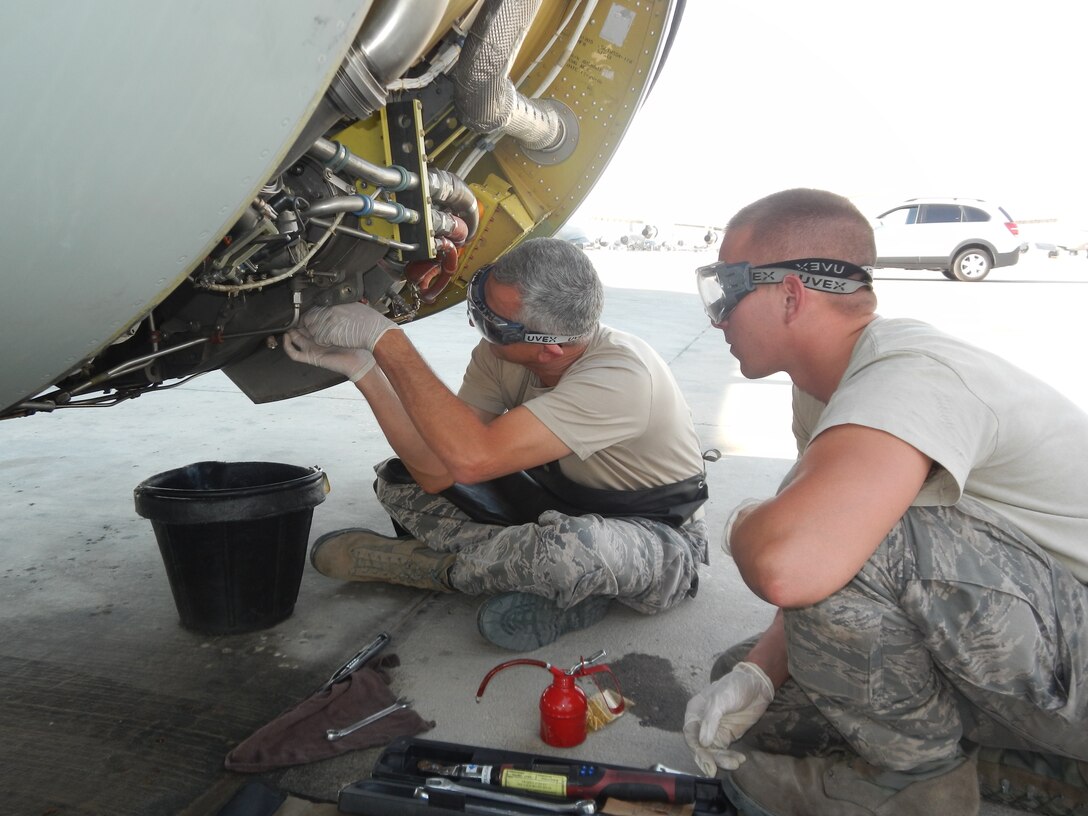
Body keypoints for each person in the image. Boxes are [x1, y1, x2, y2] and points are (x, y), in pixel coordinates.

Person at [683, 188, 1088, 815]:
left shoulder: (911, 374)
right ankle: (1029, 769)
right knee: (758, 698)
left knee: (841, 539)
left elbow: (795, 563)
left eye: (726, 292)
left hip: (1071, 655)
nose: (718, 318)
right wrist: (759, 674)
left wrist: (741, 519)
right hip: (1040, 653)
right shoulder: (826, 389)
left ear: (790, 294)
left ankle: (916, 790)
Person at [282, 237, 709, 651]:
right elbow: (438, 469)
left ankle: (441, 570)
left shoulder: (621, 379)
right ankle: (541, 578)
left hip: (656, 534)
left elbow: (471, 460)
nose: (479, 324)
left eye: (492, 322)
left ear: (550, 350)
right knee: (400, 483)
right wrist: (364, 370)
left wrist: (387, 341)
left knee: (573, 549)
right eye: (479, 300)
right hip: (557, 502)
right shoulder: (499, 356)